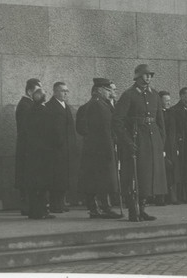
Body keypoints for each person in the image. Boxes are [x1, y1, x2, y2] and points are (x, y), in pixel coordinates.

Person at [113, 64, 167, 222]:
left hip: (152, 142)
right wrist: (128, 142)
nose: (148, 77)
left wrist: (160, 141)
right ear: (137, 77)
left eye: (150, 75)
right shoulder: (128, 95)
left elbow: (160, 122)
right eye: (145, 75)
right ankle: (132, 210)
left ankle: (142, 209)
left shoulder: (155, 95)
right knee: (134, 177)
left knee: (148, 178)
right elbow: (117, 121)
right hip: (137, 141)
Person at [76, 78, 121, 219]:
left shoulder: (100, 104)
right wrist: (110, 148)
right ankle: (103, 208)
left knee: (95, 179)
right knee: (101, 179)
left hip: (95, 149)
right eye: (107, 90)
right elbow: (103, 131)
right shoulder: (97, 106)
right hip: (100, 149)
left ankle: (96, 208)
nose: (109, 93)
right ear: (99, 90)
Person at [22, 86, 56, 219]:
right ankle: (42, 211)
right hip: (44, 154)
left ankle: (33, 211)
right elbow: (52, 133)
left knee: (33, 184)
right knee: (43, 184)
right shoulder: (46, 112)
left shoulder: (29, 112)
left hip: (32, 154)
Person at [46, 81, 78, 212]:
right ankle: (55, 204)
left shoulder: (66, 106)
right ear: (55, 92)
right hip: (57, 150)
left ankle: (61, 202)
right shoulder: (50, 106)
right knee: (57, 178)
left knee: (64, 178)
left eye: (67, 91)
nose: (65, 93)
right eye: (62, 91)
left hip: (67, 149)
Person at [15, 78, 41, 215]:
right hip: (28, 149)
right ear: (30, 91)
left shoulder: (28, 104)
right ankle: (28, 208)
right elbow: (28, 129)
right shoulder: (26, 106)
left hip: (28, 148)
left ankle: (30, 207)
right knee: (27, 178)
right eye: (38, 91)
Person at [158, 91, 180, 205]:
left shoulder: (172, 113)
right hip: (162, 146)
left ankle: (172, 196)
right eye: (166, 100)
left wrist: (176, 146)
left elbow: (174, 131)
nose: (168, 102)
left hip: (172, 146)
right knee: (163, 172)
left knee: (172, 171)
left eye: (169, 100)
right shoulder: (158, 113)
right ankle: (161, 198)